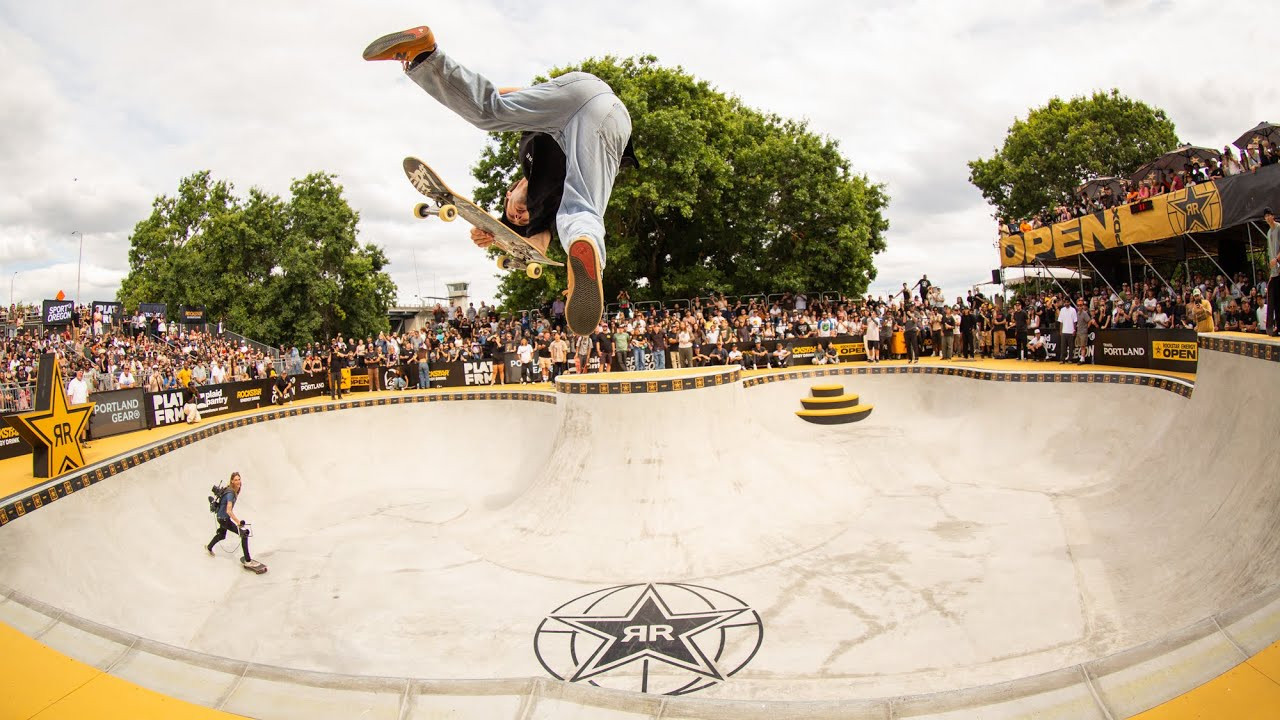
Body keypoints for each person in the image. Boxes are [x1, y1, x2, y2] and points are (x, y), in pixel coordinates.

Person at [364, 26, 637, 336]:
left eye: (513, 215)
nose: (521, 214)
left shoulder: (526, 151)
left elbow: (497, 99)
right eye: (523, 217)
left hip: (575, 92)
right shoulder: (548, 210)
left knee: (488, 113)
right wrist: (502, 238)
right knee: (578, 213)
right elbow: (537, 245)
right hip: (609, 125)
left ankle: (428, 58)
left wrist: (497, 229)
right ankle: (422, 54)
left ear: (509, 193)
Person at [206, 471, 254, 565]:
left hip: (222, 517)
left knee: (221, 535)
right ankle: (248, 561)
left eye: (239, 479)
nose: (238, 482)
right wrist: (238, 522)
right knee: (244, 534)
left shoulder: (233, 490)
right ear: (232, 481)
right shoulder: (231, 493)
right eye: (235, 480)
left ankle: (209, 547)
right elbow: (228, 510)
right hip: (224, 518)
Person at [1265, 208, 1280, 336]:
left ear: (1273, 216)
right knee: (1274, 300)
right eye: (1266, 216)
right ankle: (1277, 326)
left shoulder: (1279, 228)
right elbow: (1270, 253)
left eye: (1269, 215)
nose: (1268, 218)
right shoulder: (1268, 232)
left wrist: (1277, 258)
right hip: (1275, 272)